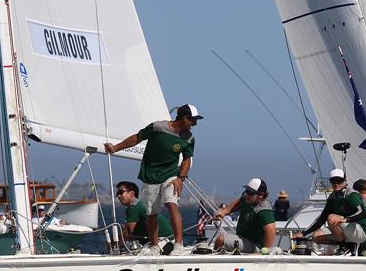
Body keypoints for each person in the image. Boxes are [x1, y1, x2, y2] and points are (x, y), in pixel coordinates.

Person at [104, 103, 202, 255]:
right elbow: (137, 138)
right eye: (193, 120)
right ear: (184, 118)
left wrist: (180, 178)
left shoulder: (189, 138)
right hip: (151, 175)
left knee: (171, 204)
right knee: (151, 212)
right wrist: (115, 148)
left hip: (171, 175)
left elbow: (187, 159)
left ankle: (178, 245)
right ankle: (154, 246)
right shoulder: (157, 127)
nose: (195, 124)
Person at [299, 169, 366, 253]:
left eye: (339, 181)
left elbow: (362, 212)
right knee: (316, 236)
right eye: (333, 181)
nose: (336, 184)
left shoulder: (351, 195)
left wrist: (345, 219)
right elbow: (321, 219)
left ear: (345, 181)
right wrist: (303, 233)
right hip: (346, 230)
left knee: (331, 217)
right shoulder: (332, 197)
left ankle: (344, 247)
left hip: (360, 231)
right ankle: (346, 246)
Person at [213, 178, 276, 253]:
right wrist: (225, 211)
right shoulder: (247, 197)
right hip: (242, 238)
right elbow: (240, 202)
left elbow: (271, 231)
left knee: (221, 240)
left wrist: (264, 252)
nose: (247, 195)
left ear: (261, 195)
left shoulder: (264, 210)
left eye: (251, 193)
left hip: (255, 245)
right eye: (247, 191)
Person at [115, 181, 173, 245]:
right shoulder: (140, 204)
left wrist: (115, 243)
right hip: (170, 238)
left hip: (164, 240)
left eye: (121, 192)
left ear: (132, 193)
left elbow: (127, 232)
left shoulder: (134, 207)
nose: (119, 196)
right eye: (117, 194)